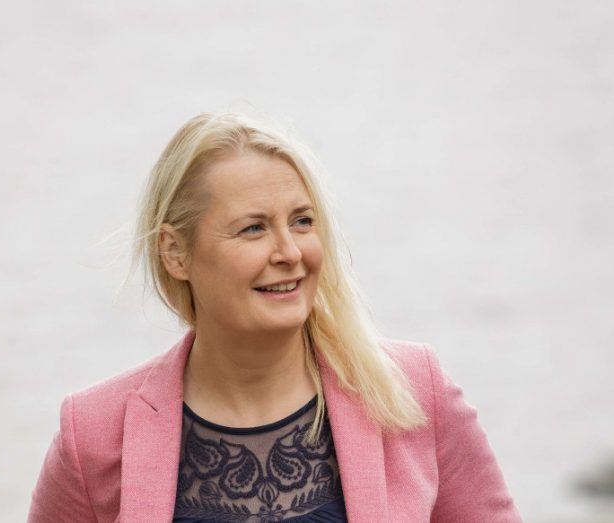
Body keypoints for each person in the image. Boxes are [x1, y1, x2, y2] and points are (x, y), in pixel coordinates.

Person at [28, 111, 522, 522]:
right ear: (175, 253)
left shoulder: (415, 390)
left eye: (302, 221)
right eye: (253, 229)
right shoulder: (91, 434)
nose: (290, 251)